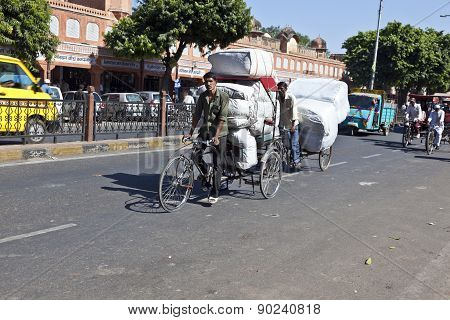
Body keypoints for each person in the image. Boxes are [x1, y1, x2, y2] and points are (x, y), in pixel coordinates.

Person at [184, 72, 229, 204]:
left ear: (216, 82)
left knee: (217, 163)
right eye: (206, 82)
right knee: (195, 154)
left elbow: (222, 117)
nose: (208, 84)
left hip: (220, 133)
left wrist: (216, 136)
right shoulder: (203, 96)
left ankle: (215, 192)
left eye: (210, 81)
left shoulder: (223, 97)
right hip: (205, 130)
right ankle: (205, 173)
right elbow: (197, 115)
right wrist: (190, 133)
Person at [277, 81, 301, 169]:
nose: (280, 91)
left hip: (292, 124)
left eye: (282, 89)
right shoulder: (278, 98)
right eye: (278, 89)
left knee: (293, 145)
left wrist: (293, 125)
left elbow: (294, 112)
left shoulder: (291, 98)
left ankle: (296, 161)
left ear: (286, 89)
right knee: (284, 145)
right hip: (283, 125)